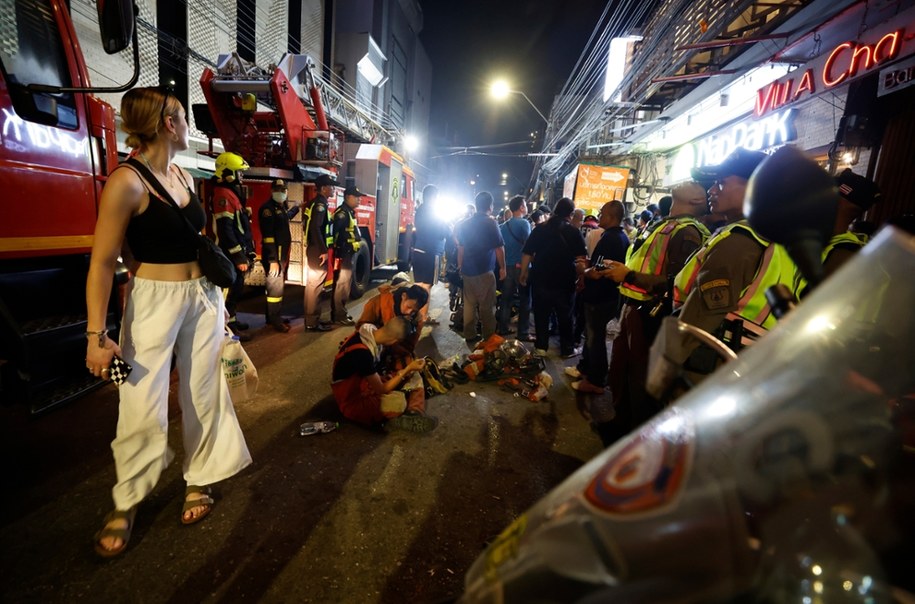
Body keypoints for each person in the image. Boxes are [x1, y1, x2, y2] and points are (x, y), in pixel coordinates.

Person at [85, 86, 251, 558]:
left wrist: (218, 306)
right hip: (154, 301)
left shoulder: (180, 173)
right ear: (167, 124)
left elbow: (194, 236)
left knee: (204, 392)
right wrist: (96, 336)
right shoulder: (126, 182)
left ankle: (199, 478)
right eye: (181, 114)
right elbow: (101, 264)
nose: (188, 121)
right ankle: (127, 500)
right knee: (141, 401)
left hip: (202, 297)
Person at [600, 181, 710, 443]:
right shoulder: (665, 223)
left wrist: (630, 274)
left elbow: (675, 280)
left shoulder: (690, 233)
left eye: (698, 185)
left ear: (697, 201)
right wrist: (624, 270)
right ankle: (620, 424)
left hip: (652, 314)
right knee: (621, 370)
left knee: (641, 378)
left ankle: (637, 438)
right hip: (633, 307)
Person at [674, 148, 798, 359]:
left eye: (721, 182)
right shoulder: (779, 235)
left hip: (710, 359)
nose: (711, 190)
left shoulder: (740, 241)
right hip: (756, 357)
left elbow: (700, 319)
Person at [332, 316, 437, 433]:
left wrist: (407, 370)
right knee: (399, 402)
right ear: (394, 341)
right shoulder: (362, 354)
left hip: (366, 384)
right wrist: (407, 369)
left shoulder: (368, 332)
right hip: (352, 401)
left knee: (413, 374)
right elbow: (382, 389)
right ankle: (396, 419)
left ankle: (414, 412)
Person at [569, 200, 629, 394]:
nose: (599, 216)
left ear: (611, 217)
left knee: (596, 338)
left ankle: (596, 380)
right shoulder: (618, 237)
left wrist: (582, 269)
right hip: (606, 295)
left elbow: (597, 272)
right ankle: (585, 368)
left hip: (600, 297)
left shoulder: (611, 239)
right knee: (591, 334)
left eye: (602, 213)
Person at [520, 197, 588, 357]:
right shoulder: (573, 231)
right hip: (564, 282)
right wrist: (582, 278)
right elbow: (581, 259)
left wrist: (524, 273)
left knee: (541, 314)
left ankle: (541, 347)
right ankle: (567, 349)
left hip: (541, 279)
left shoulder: (540, 228)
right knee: (565, 317)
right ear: (570, 214)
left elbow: (527, 252)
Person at [212, 151, 255, 341]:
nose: (241, 176)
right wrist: (238, 256)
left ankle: (233, 320)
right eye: (239, 172)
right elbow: (225, 230)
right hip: (229, 253)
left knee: (237, 289)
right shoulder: (223, 195)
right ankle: (226, 329)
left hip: (235, 251)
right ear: (229, 172)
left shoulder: (230, 193)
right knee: (229, 290)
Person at [455, 191, 506, 345]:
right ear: (490, 206)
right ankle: (488, 337)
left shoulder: (464, 223)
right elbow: (499, 248)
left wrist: (460, 266)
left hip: (467, 270)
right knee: (487, 305)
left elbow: (460, 248)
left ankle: (469, 334)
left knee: (469, 304)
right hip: (485, 271)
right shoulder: (491, 222)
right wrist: (503, 267)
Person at [259, 178, 300, 332]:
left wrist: (297, 208)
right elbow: (268, 237)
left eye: (283, 190)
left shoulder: (279, 207)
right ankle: (275, 321)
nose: (281, 193)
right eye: (277, 190)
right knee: (275, 290)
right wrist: (273, 260)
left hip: (280, 255)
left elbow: (285, 218)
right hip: (274, 257)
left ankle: (272, 317)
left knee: (273, 287)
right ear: (272, 191)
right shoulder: (267, 210)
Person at [411, 184, 451, 325]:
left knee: (419, 284)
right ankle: (422, 316)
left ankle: (414, 313)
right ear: (434, 197)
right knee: (427, 286)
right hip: (431, 252)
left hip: (419, 250)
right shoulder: (435, 212)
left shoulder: (420, 210)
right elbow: (443, 232)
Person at [304, 174, 337, 332]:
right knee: (315, 286)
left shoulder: (316, 202)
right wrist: (323, 250)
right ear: (323, 188)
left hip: (315, 249)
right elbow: (315, 228)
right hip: (318, 250)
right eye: (331, 186)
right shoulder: (320, 205)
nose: (333, 189)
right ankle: (312, 322)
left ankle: (313, 319)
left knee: (314, 286)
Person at [497, 195, 532, 340]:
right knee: (525, 300)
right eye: (525, 205)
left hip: (507, 266)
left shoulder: (503, 226)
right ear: (521, 207)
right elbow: (529, 246)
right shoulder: (524, 224)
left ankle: (503, 328)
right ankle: (523, 333)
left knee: (506, 299)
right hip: (521, 266)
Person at [331, 185, 365, 325]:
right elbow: (334, 234)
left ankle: (339, 313)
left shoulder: (349, 212)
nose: (359, 200)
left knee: (344, 284)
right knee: (342, 285)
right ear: (348, 197)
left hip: (347, 253)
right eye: (356, 197)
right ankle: (339, 316)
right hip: (343, 253)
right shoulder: (342, 214)